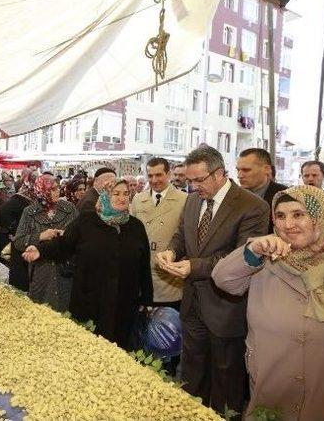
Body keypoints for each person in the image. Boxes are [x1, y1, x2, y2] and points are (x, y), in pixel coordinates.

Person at [212, 185, 324, 421]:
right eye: (280, 216)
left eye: (299, 214)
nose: (288, 225)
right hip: (270, 400)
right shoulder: (266, 261)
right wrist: (252, 249)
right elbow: (223, 278)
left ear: (323, 217)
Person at [155, 146, 269, 418]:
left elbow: (240, 256)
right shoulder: (193, 201)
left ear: (219, 174)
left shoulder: (252, 206)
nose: (193, 186)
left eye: (198, 180)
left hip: (226, 308)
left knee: (225, 379)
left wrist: (193, 266)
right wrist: (171, 250)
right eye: (189, 180)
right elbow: (183, 234)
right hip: (193, 303)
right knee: (192, 374)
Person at [23, 179, 153, 348]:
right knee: (89, 351)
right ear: (105, 196)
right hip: (90, 301)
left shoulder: (136, 226)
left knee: (120, 353)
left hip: (124, 303)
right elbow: (64, 245)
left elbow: (144, 264)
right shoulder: (86, 221)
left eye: (126, 194)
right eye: (116, 193)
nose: (122, 198)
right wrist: (40, 251)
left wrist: (147, 299)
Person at [13, 175, 78, 311]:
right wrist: (40, 236)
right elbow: (18, 242)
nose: (57, 192)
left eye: (58, 188)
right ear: (42, 190)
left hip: (65, 269)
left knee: (66, 313)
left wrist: (66, 235)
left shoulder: (69, 209)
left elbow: (80, 235)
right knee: (41, 314)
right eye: (52, 189)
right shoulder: (29, 212)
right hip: (41, 271)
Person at [131, 157, 187, 310]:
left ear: (168, 174)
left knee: (166, 328)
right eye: (150, 176)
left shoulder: (184, 200)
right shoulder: (137, 199)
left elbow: (185, 237)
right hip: (142, 275)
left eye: (159, 175)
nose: (154, 180)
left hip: (169, 280)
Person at [0, 169, 38, 291]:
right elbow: (1, 213)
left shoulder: (31, 197)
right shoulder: (21, 198)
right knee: (20, 273)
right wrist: (15, 230)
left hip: (27, 240)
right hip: (20, 241)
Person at [237, 148, 287, 232]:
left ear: (267, 169)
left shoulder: (284, 195)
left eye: (246, 170)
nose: (239, 175)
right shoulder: (234, 196)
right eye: (238, 170)